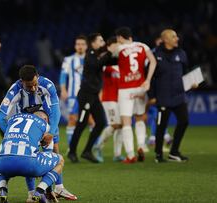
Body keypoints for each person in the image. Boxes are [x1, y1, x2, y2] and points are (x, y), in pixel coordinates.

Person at [0, 65, 77, 201]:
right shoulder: (15, 89)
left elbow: (55, 110)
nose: (32, 88)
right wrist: (12, 134)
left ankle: (58, 188)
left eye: (34, 84)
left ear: (37, 76)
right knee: (29, 152)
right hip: (28, 125)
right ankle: (33, 192)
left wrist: (51, 132)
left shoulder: (47, 85)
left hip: (45, 122)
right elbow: (0, 117)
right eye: (28, 86)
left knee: (55, 148)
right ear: (21, 82)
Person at [67, 33, 118, 163]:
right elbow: (97, 65)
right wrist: (109, 52)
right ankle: (72, 152)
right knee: (81, 123)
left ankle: (87, 151)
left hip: (93, 95)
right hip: (86, 95)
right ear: (93, 43)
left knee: (101, 123)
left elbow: (109, 61)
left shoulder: (96, 54)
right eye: (100, 40)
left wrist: (117, 53)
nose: (103, 42)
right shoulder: (89, 54)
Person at [0, 111, 64, 203]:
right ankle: (39, 192)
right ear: (44, 119)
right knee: (60, 160)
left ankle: (2, 190)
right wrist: (49, 189)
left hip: (3, 165)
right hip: (28, 163)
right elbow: (48, 153)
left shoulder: (12, 120)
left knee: (1, 158)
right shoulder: (45, 125)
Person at [153, 29, 196, 163]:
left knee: (184, 121)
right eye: (173, 36)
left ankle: (174, 152)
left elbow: (186, 72)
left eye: (176, 36)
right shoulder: (156, 55)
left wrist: (192, 82)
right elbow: (149, 76)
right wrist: (152, 95)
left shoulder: (182, 54)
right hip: (163, 96)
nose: (177, 38)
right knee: (161, 126)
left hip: (179, 96)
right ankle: (158, 154)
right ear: (165, 39)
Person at [114, 27, 156, 163]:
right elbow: (153, 61)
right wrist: (148, 80)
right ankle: (141, 146)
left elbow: (109, 57)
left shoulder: (119, 49)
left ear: (120, 37)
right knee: (140, 118)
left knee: (126, 121)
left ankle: (131, 155)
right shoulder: (143, 46)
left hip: (125, 88)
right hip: (140, 87)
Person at [59, 35, 95, 144]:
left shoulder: (92, 59)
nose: (80, 46)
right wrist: (63, 89)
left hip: (89, 94)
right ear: (75, 46)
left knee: (91, 120)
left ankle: (93, 147)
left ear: (86, 46)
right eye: (78, 44)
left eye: (82, 44)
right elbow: (63, 75)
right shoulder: (68, 60)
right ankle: (71, 148)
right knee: (72, 119)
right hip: (73, 95)